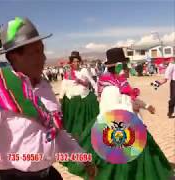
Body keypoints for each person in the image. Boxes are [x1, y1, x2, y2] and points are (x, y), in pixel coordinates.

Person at [0, 17, 96, 180]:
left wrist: (82, 158)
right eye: (35, 53)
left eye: (41, 51)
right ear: (14, 57)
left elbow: (56, 131)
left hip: (48, 175)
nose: (43, 58)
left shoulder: (44, 87)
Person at [63, 48, 172, 180]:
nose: (128, 69)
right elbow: (111, 112)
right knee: (121, 166)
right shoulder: (111, 89)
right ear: (118, 68)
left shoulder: (120, 85)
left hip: (131, 125)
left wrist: (146, 106)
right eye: (125, 66)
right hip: (119, 130)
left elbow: (130, 99)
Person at [59, 51, 99, 139]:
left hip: (84, 97)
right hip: (72, 99)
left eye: (77, 61)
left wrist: (96, 93)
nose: (76, 63)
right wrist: (61, 96)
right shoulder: (68, 73)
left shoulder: (84, 71)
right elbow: (64, 85)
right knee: (73, 121)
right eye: (74, 61)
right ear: (71, 63)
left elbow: (92, 82)